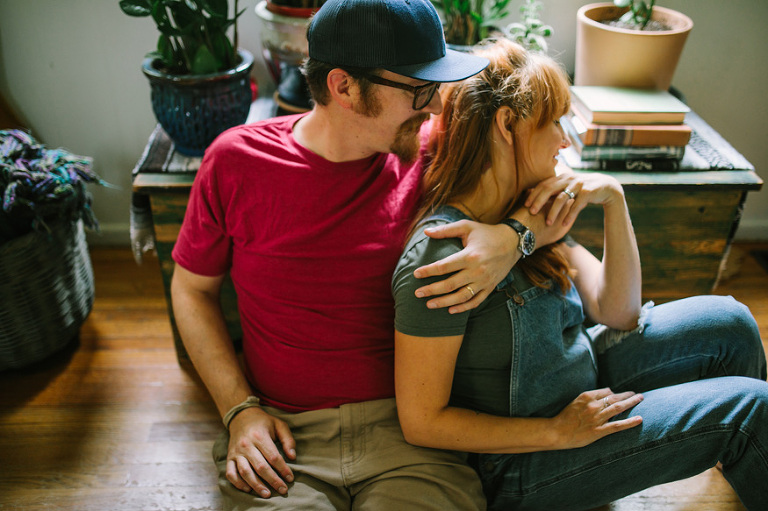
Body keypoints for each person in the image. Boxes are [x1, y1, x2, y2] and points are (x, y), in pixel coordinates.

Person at [169, 0, 528, 509]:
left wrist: (516, 235)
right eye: (418, 89)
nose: (433, 107)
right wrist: (238, 410)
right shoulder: (235, 161)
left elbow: (553, 184)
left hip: (415, 434)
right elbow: (191, 289)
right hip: (284, 438)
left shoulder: (436, 150)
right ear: (344, 87)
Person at [392, 38, 768, 511]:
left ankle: (747, 468)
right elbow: (423, 421)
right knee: (750, 408)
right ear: (508, 125)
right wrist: (554, 431)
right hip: (522, 461)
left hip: (578, 386)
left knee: (730, 325)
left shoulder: (528, 212)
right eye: (554, 123)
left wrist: (614, 197)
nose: (565, 141)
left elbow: (620, 310)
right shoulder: (442, 258)